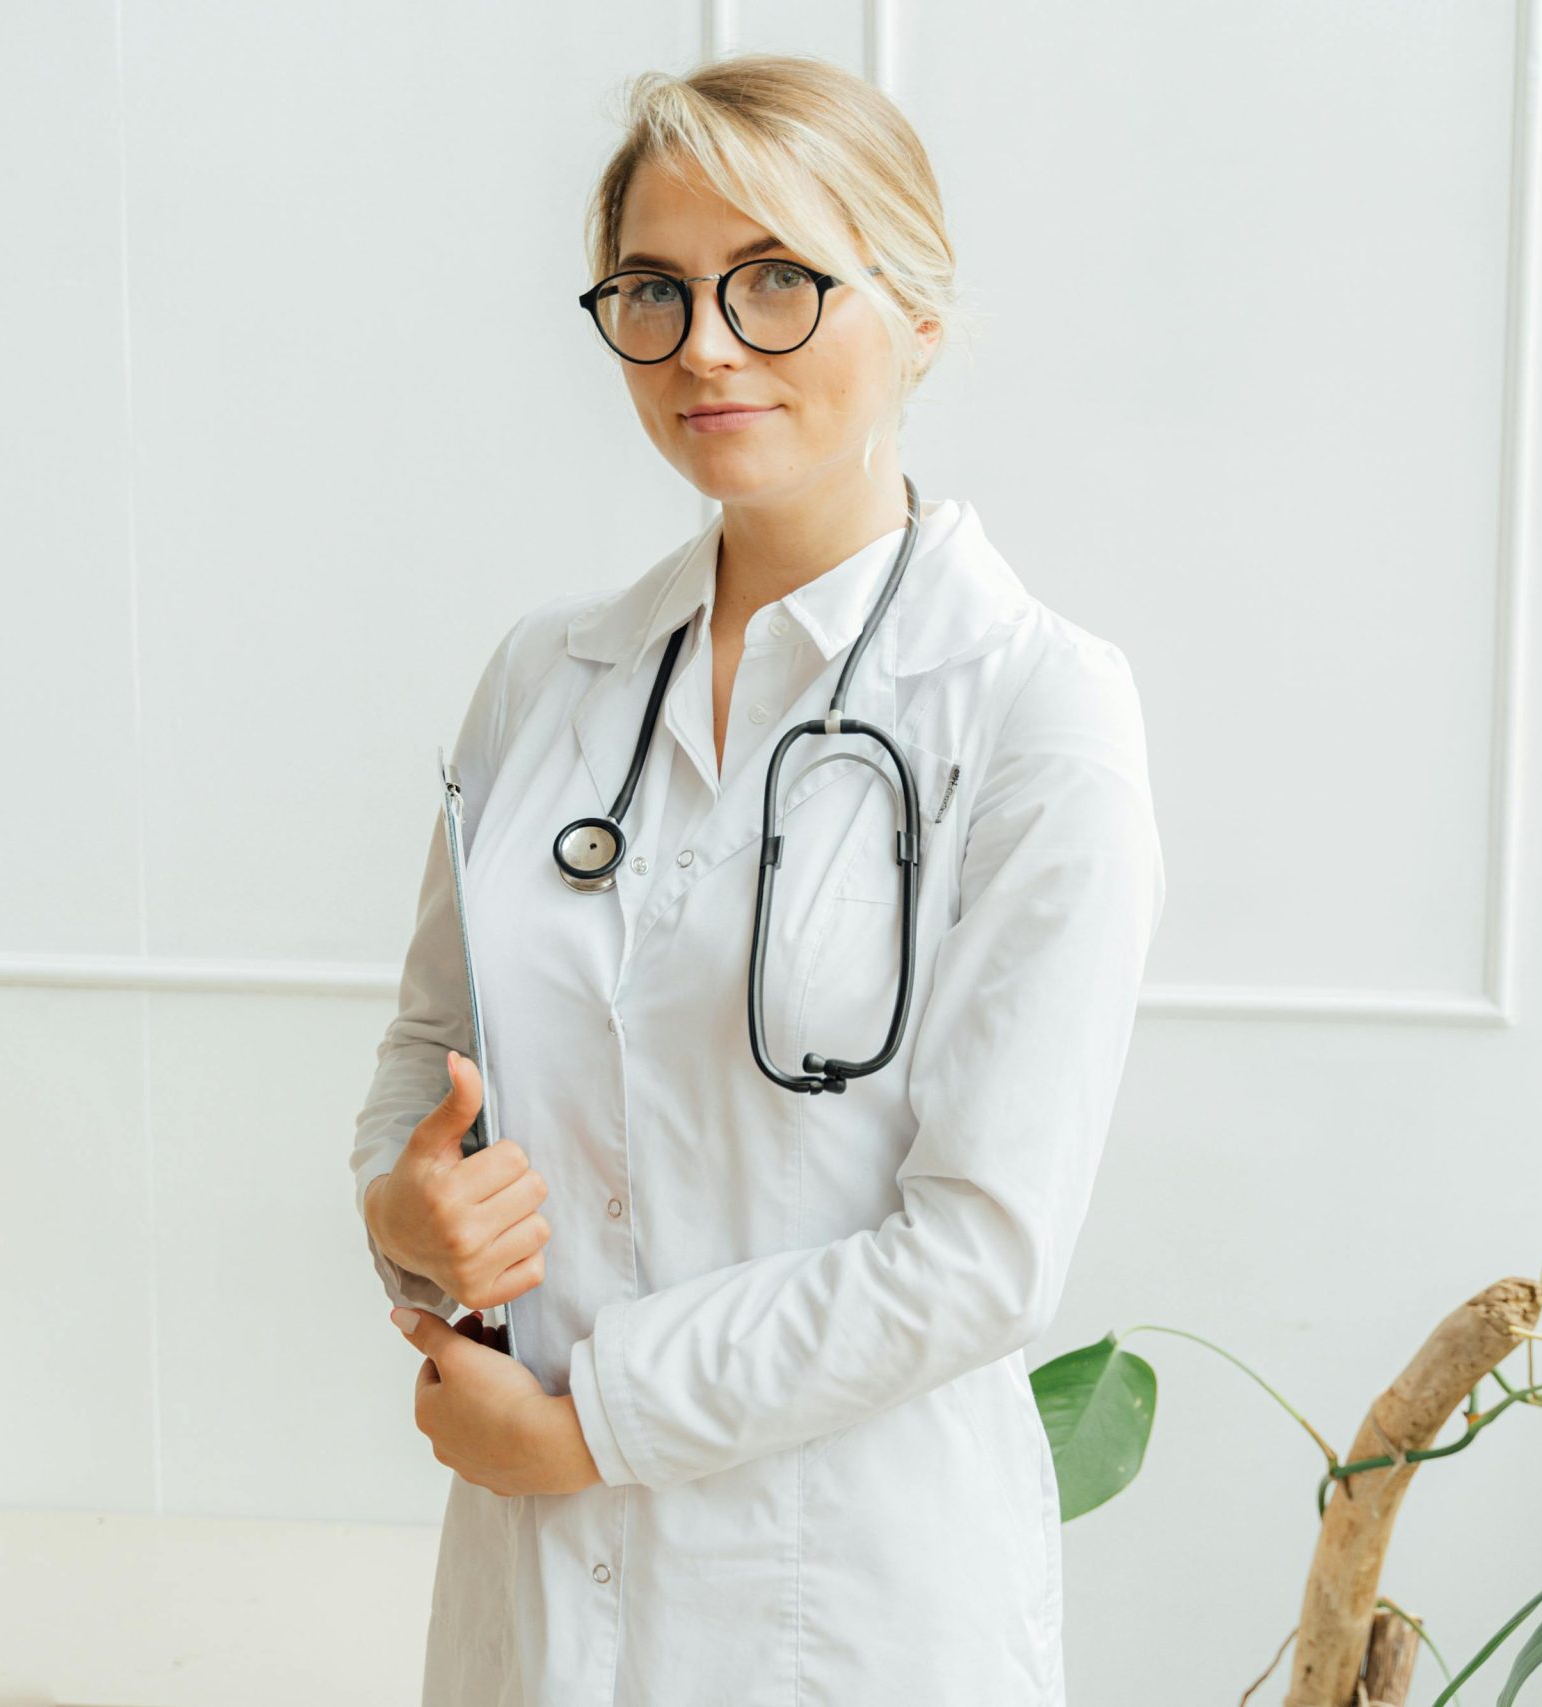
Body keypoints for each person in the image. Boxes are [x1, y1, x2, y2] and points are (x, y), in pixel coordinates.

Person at [347, 52, 1166, 1705]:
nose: (708, 344)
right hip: (534, 1590)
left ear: (918, 316)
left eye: (777, 280)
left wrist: (593, 1429)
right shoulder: (543, 679)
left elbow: (983, 1250)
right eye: (656, 289)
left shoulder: (1031, 704)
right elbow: (423, 1061)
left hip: (845, 1601)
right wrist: (407, 1211)